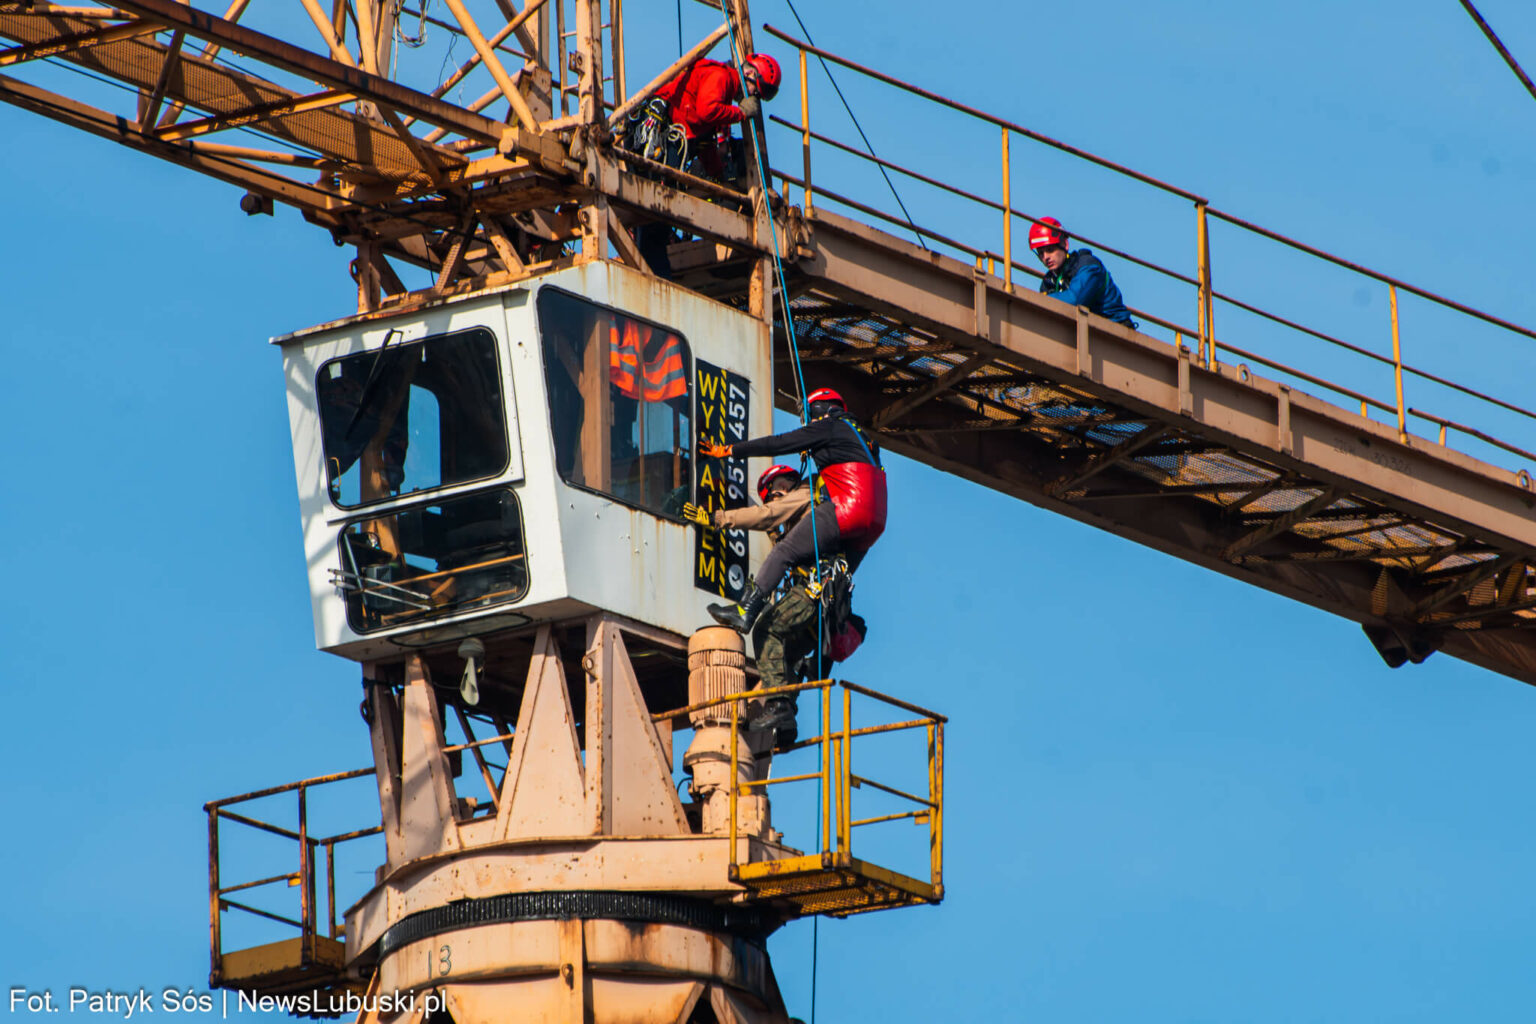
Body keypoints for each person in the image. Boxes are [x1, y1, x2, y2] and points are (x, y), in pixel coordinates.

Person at [698, 387, 886, 635]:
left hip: (848, 507)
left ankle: (746, 610)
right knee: (833, 584)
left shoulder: (828, 426)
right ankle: (821, 639)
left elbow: (778, 443)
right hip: (875, 524)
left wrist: (731, 450)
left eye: (808, 414)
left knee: (784, 551)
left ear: (819, 409)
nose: (807, 420)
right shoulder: (863, 439)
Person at [683, 464, 816, 747]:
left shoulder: (804, 495)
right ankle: (787, 718)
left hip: (815, 592)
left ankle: (780, 708)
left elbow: (768, 515)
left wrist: (717, 518)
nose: (772, 497)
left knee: (766, 629)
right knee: (786, 653)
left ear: (786, 481)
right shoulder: (807, 515)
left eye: (773, 490)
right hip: (821, 604)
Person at [1029, 216, 1136, 328]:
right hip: (1086, 330)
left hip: (1116, 329)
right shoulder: (1049, 280)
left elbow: (1076, 299)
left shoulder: (1088, 266)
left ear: (1065, 244)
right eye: (1041, 253)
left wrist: (1044, 299)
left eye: (1050, 250)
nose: (1045, 257)